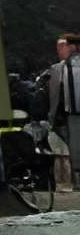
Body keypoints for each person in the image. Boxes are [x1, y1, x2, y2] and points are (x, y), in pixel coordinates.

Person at [46, 34, 80, 193]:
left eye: (62, 46)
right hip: (66, 117)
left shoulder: (60, 69)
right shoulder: (56, 69)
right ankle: (72, 182)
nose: (59, 50)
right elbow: (53, 97)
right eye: (58, 47)